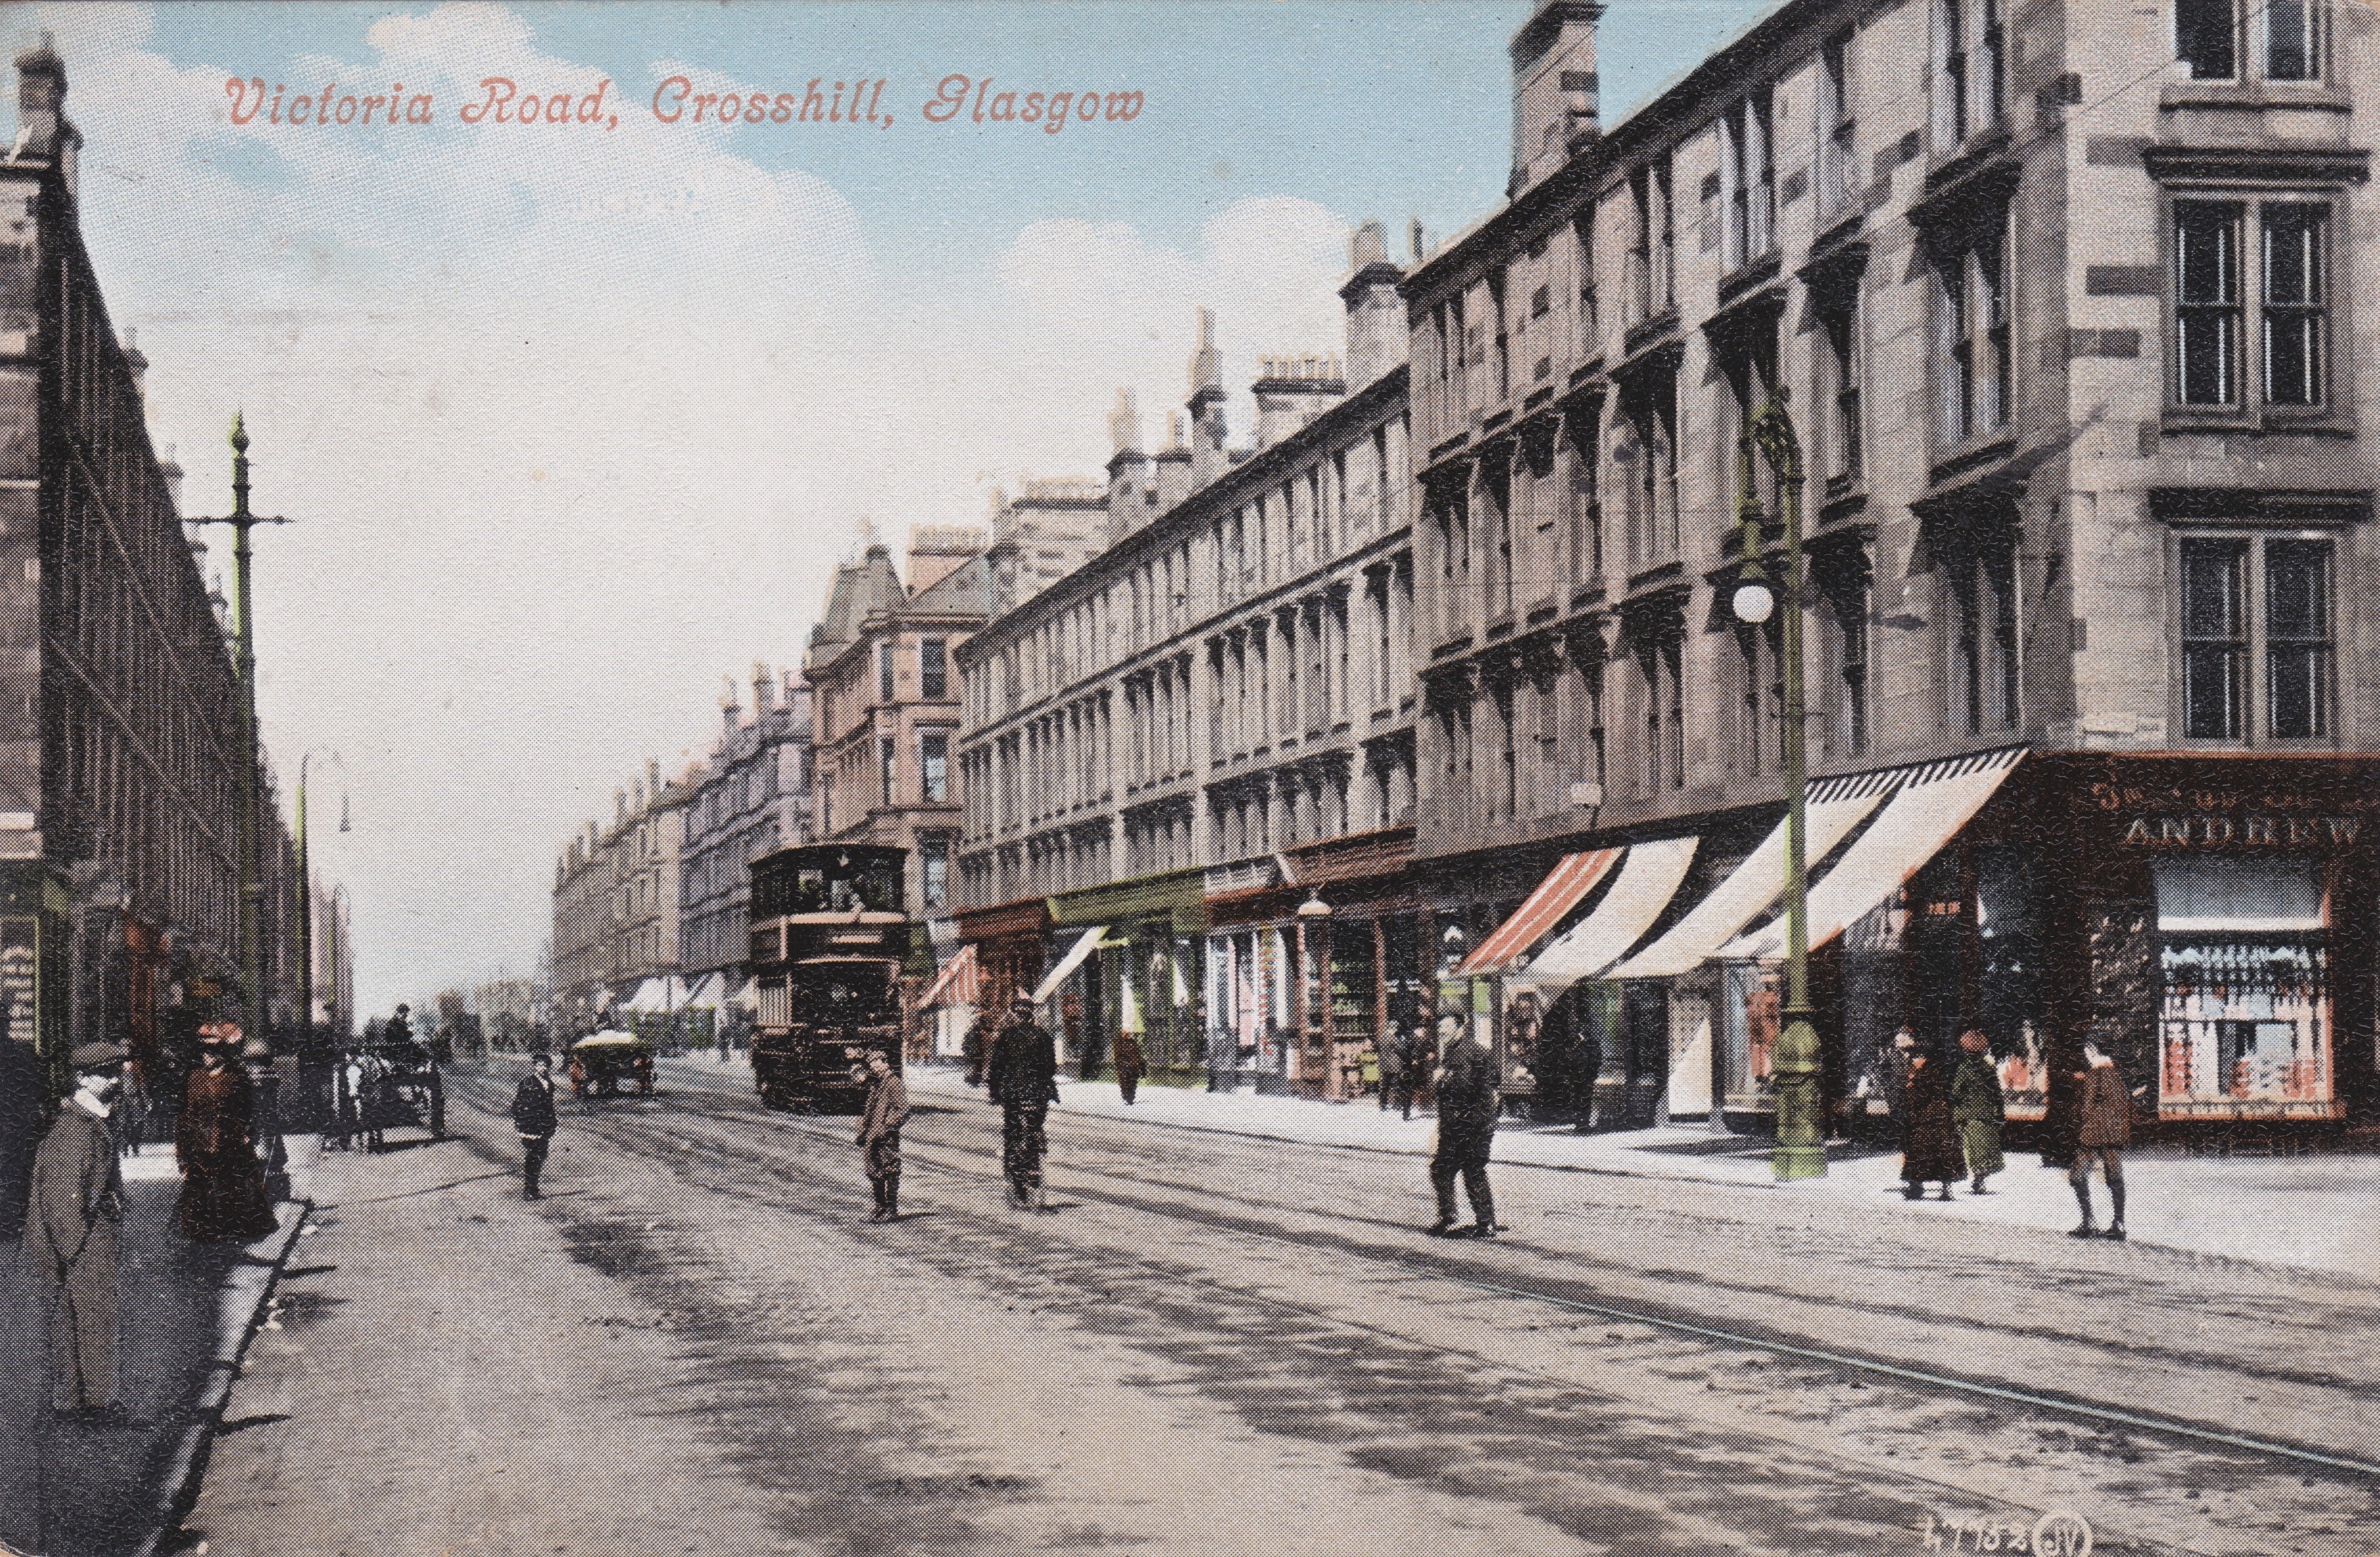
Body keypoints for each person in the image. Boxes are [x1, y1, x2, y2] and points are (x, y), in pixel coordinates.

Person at [28, 1043, 130, 1419]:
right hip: (81, 1242)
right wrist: (73, 1249)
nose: (116, 1079)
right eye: (107, 1073)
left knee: (71, 1318)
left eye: (116, 1071)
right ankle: (98, 1402)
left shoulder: (89, 1120)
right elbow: (63, 1200)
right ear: (84, 1079)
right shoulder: (76, 1127)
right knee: (94, 1317)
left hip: (80, 1239)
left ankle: (72, 1401)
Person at [175, 1023, 277, 1241]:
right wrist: (182, 1154)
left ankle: (233, 1237)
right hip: (199, 1145)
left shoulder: (237, 1077)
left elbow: (249, 1111)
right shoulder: (192, 1078)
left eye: (214, 1051)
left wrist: (248, 1133)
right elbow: (183, 1116)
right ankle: (205, 1242)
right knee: (201, 1197)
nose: (208, 1056)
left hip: (230, 1144)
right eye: (204, 1051)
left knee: (233, 1193)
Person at [1428, 1013, 1500, 1239]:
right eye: (1440, 1027)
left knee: (1468, 1170)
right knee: (1448, 1169)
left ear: (1460, 1027)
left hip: (1468, 1124)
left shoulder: (1469, 1053)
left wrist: (1442, 1079)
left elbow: (1469, 1088)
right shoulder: (1455, 1051)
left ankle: (1480, 1223)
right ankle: (1462, 1219)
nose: (1441, 1031)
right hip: (1459, 1124)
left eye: (1446, 1027)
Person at [986, 996, 1059, 1208]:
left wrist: (994, 1092)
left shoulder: (1006, 1037)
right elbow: (1051, 1067)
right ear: (1031, 1014)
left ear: (1014, 1014)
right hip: (1038, 1094)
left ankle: (1016, 1177)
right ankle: (1036, 1145)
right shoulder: (1042, 1036)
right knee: (1035, 1124)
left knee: (1013, 1133)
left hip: (1014, 1095)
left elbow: (996, 1068)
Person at [2070, 1042, 2131, 1240]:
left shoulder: (2096, 1075)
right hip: (2113, 1134)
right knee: (2115, 1178)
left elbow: (2086, 1108)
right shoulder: (2116, 1075)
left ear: (2094, 1052)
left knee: (2077, 1177)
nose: (2086, 1055)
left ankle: (2089, 1222)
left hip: (2093, 1134)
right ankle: (2118, 1223)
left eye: (2088, 1051)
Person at [1899, 1042, 1964, 1201]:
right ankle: (1945, 1189)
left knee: (1920, 1152)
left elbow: (1917, 1097)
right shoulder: (1938, 1070)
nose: (1912, 1060)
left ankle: (1917, 1187)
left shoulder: (1923, 1072)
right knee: (1943, 1153)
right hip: (1940, 1117)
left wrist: (1910, 1086)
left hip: (1925, 1119)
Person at [0, 1031, 48, 1241]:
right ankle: (13, 1225)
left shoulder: (23, 1054)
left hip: (14, 1128)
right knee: (16, 1177)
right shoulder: (24, 1053)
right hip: (17, 1129)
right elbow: (39, 1092)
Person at [1950, 1028, 2006, 1194]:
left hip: (1968, 1115)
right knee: (1985, 1146)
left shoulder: (1963, 1067)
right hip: (1986, 1113)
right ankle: (1980, 1177)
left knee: (1972, 1147)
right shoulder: (1988, 1067)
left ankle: (1976, 1175)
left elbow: (1956, 1092)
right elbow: (1996, 1092)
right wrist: (2000, 1113)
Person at [856, 1048, 909, 1222]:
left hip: (885, 1136)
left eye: (874, 1062)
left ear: (883, 1062)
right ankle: (880, 1206)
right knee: (873, 1169)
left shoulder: (893, 1082)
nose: (872, 1066)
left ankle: (891, 1209)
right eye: (871, 1063)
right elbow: (869, 1109)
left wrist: (887, 1127)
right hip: (873, 1134)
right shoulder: (877, 1083)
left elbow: (902, 1110)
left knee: (890, 1169)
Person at [510, 1053, 559, 1200]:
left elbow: (549, 1106)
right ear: (535, 1066)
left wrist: (551, 1122)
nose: (543, 1068)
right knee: (534, 1156)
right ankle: (529, 1189)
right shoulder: (528, 1082)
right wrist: (522, 1123)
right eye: (540, 1065)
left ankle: (533, 1187)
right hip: (531, 1125)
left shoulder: (549, 1083)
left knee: (541, 1155)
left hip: (544, 1125)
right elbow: (518, 1104)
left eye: (546, 1065)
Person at [1376, 1023, 1406, 1114]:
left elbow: (1377, 1048)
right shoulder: (1392, 1038)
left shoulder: (1381, 1037)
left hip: (1383, 1065)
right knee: (1395, 1085)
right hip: (1394, 1065)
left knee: (1384, 1086)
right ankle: (1396, 1105)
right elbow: (1400, 1048)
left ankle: (1383, 1105)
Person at [1113, 1027, 1144, 1105]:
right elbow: (1116, 1055)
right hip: (1123, 1066)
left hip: (1133, 1066)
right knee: (1124, 1082)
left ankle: (1131, 1097)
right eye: (1124, 1033)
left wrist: (1138, 1064)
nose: (1126, 1034)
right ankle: (1126, 1095)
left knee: (1133, 1082)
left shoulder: (1132, 1041)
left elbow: (1137, 1054)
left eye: (1127, 1033)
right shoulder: (1117, 1042)